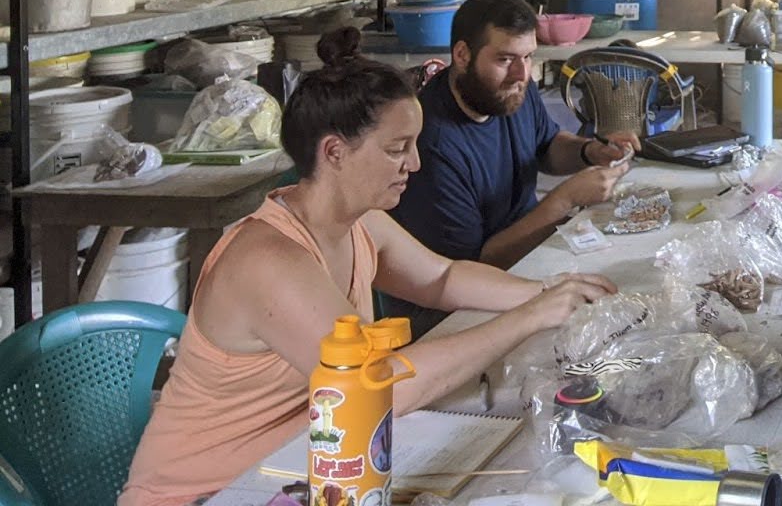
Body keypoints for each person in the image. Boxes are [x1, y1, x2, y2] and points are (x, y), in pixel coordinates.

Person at [119, 28, 617, 506]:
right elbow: (378, 386)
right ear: (334, 152)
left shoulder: (360, 224)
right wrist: (529, 318)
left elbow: (442, 279)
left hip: (300, 468)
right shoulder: (266, 259)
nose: (415, 164)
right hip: (209, 493)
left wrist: (552, 290)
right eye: (398, 149)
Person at [389, 0, 639, 324]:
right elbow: (472, 270)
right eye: (505, 59)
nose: (522, 75)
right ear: (462, 55)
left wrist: (589, 151)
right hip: (455, 312)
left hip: (527, 261)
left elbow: (546, 146)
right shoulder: (431, 144)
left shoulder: (510, 91)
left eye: (528, 57)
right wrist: (563, 202)